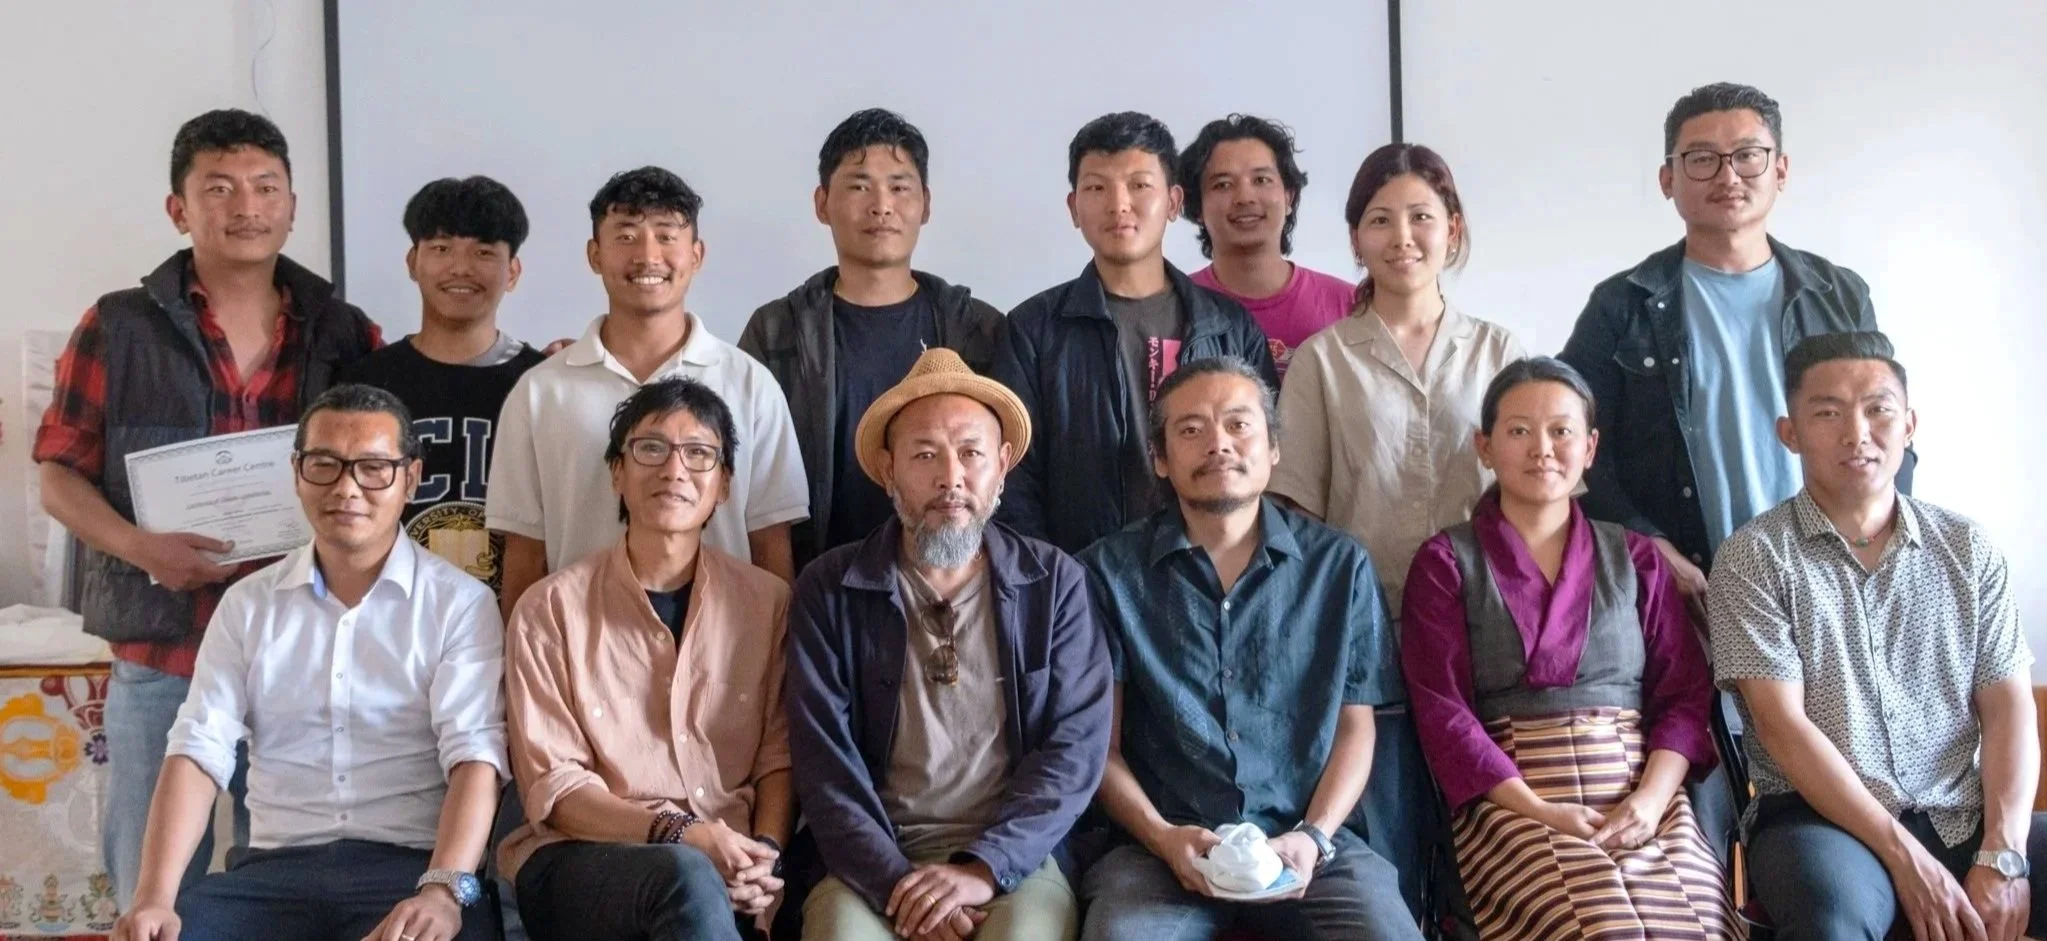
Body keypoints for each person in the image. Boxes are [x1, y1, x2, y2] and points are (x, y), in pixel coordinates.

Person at [34, 108, 380, 909]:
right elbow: (58, 473)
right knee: (150, 881)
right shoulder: (118, 325)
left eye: (266, 187)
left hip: (304, 645)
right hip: (164, 646)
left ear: (293, 205)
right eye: (219, 188)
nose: (246, 207)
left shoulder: (343, 330)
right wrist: (141, 546)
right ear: (179, 208)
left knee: (288, 881)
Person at [111, 385, 504, 941]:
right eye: (324, 465)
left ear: (411, 478)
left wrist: (442, 893)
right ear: (296, 472)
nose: (347, 488)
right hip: (272, 874)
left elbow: (475, 758)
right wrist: (154, 898)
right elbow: (199, 750)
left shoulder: (460, 603)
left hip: (408, 870)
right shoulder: (248, 605)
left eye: (373, 468)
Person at [1711, 331, 2040, 941]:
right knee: (1831, 918)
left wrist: (2004, 852)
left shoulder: (1967, 549)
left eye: (1878, 409)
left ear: (1910, 424)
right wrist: (1903, 856)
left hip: (1960, 813)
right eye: (1828, 413)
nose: (1857, 433)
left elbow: (2009, 706)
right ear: (1790, 433)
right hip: (1820, 822)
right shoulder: (1754, 557)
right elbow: (1782, 729)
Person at [1078, 357, 1419, 941]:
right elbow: (1098, 748)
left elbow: (1356, 728)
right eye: (1190, 430)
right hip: (1160, 848)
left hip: (1307, 842)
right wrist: (1163, 837)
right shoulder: (1107, 573)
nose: (1218, 444)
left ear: (1273, 448)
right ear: (1160, 459)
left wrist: (1313, 836)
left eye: (1239, 425)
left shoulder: (1339, 567)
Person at [1400, 357, 1737, 940]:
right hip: (1513, 807)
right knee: (1603, 929)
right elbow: (1442, 710)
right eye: (1519, 431)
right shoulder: (1446, 563)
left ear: (1590, 447)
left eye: (1561, 431)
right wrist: (1539, 810)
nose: (1542, 449)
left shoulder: (1636, 557)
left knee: (1697, 927)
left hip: (1641, 796)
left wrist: (1653, 801)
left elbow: (1684, 697)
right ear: (1484, 446)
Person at [785, 348, 1111, 941]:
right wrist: (899, 887)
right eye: (925, 454)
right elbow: (822, 764)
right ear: (888, 470)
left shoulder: (1056, 582)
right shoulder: (829, 588)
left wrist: (984, 868)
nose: (951, 478)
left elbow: (1075, 750)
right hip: (874, 855)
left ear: (1003, 466)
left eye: (971, 453)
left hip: (1014, 854)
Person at [1560, 82, 1906, 597]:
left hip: (1832, 576)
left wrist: (1878, 540)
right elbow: (1580, 452)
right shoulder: (1621, 306)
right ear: (1667, 179)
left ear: (1780, 170)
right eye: (1702, 159)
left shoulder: (1838, 294)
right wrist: (1650, 547)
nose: (1727, 176)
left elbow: (1889, 423)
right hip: (1684, 587)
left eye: (1747, 156)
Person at [501, 378, 794, 941]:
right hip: (582, 857)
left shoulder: (767, 604)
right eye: (651, 449)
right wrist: (682, 834)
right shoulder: (551, 608)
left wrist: (767, 856)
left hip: (729, 855)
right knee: (685, 876)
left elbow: (777, 757)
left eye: (699, 454)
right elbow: (556, 790)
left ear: (725, 485)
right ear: (617, 472)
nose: (674, 469)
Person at [488, 166, 808, 618]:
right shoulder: (541, 392)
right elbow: (525, 553)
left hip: (724, 651)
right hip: (579, 650)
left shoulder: (750, 385)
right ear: (594, 255)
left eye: (666, 235)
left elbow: (771, 546)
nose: (648, 255)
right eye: (626, 236)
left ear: (697, 254)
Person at [993, 111, 1278, 555]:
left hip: (1214, 577)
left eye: (1139, 185)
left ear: (1175, 202)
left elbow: (1266, 457)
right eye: (1096, 187)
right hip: (1082, 586)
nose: (1118, 204)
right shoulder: (1033, 331)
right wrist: (1057, 586)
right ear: (1073, 208)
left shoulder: (1229, 326)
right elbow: (1012, 478)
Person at [740, 108, 1006, 571]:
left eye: (900, 187)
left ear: (925, 203)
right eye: (859, 186)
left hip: (954, 584)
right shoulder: (776, 332)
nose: (881, 205)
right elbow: (744, 475)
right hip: (820, 589)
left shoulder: (978, 330)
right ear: (822, 203)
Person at [339, 175, 544, 597]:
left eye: (484, 252)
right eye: (441, 248)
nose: (461, 268)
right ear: (413, 262)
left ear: (514, 271)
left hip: (511, 615)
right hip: (389, 620)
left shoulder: (544, 383)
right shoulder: (364, 383)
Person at [1178, 114, 1354, 378]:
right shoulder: (1175, 307)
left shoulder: (1351, 305)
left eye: (1261, 180)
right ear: (1197, 208)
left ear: (1289, 197)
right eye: (1222, 185)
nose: (1245, 197)